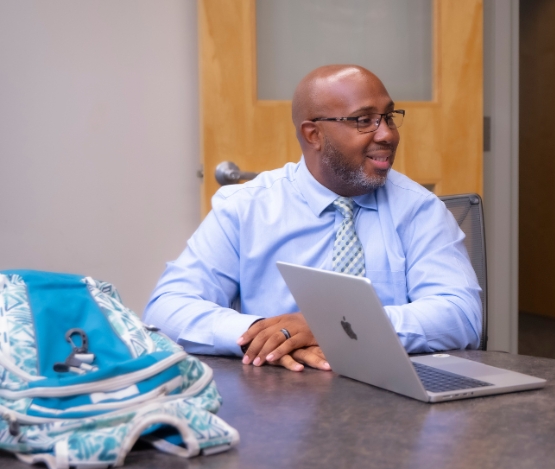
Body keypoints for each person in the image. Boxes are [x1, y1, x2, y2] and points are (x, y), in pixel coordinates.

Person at [144, 65, 482, 372]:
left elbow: (461, 315)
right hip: (274, 399)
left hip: (392, 395)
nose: (387, 135)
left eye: (389, 117)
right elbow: (166, 309)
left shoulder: (419, 209)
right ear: (313, 134)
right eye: (364, 120)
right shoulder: (247, 207)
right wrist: (265, 335)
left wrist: (330, 327)